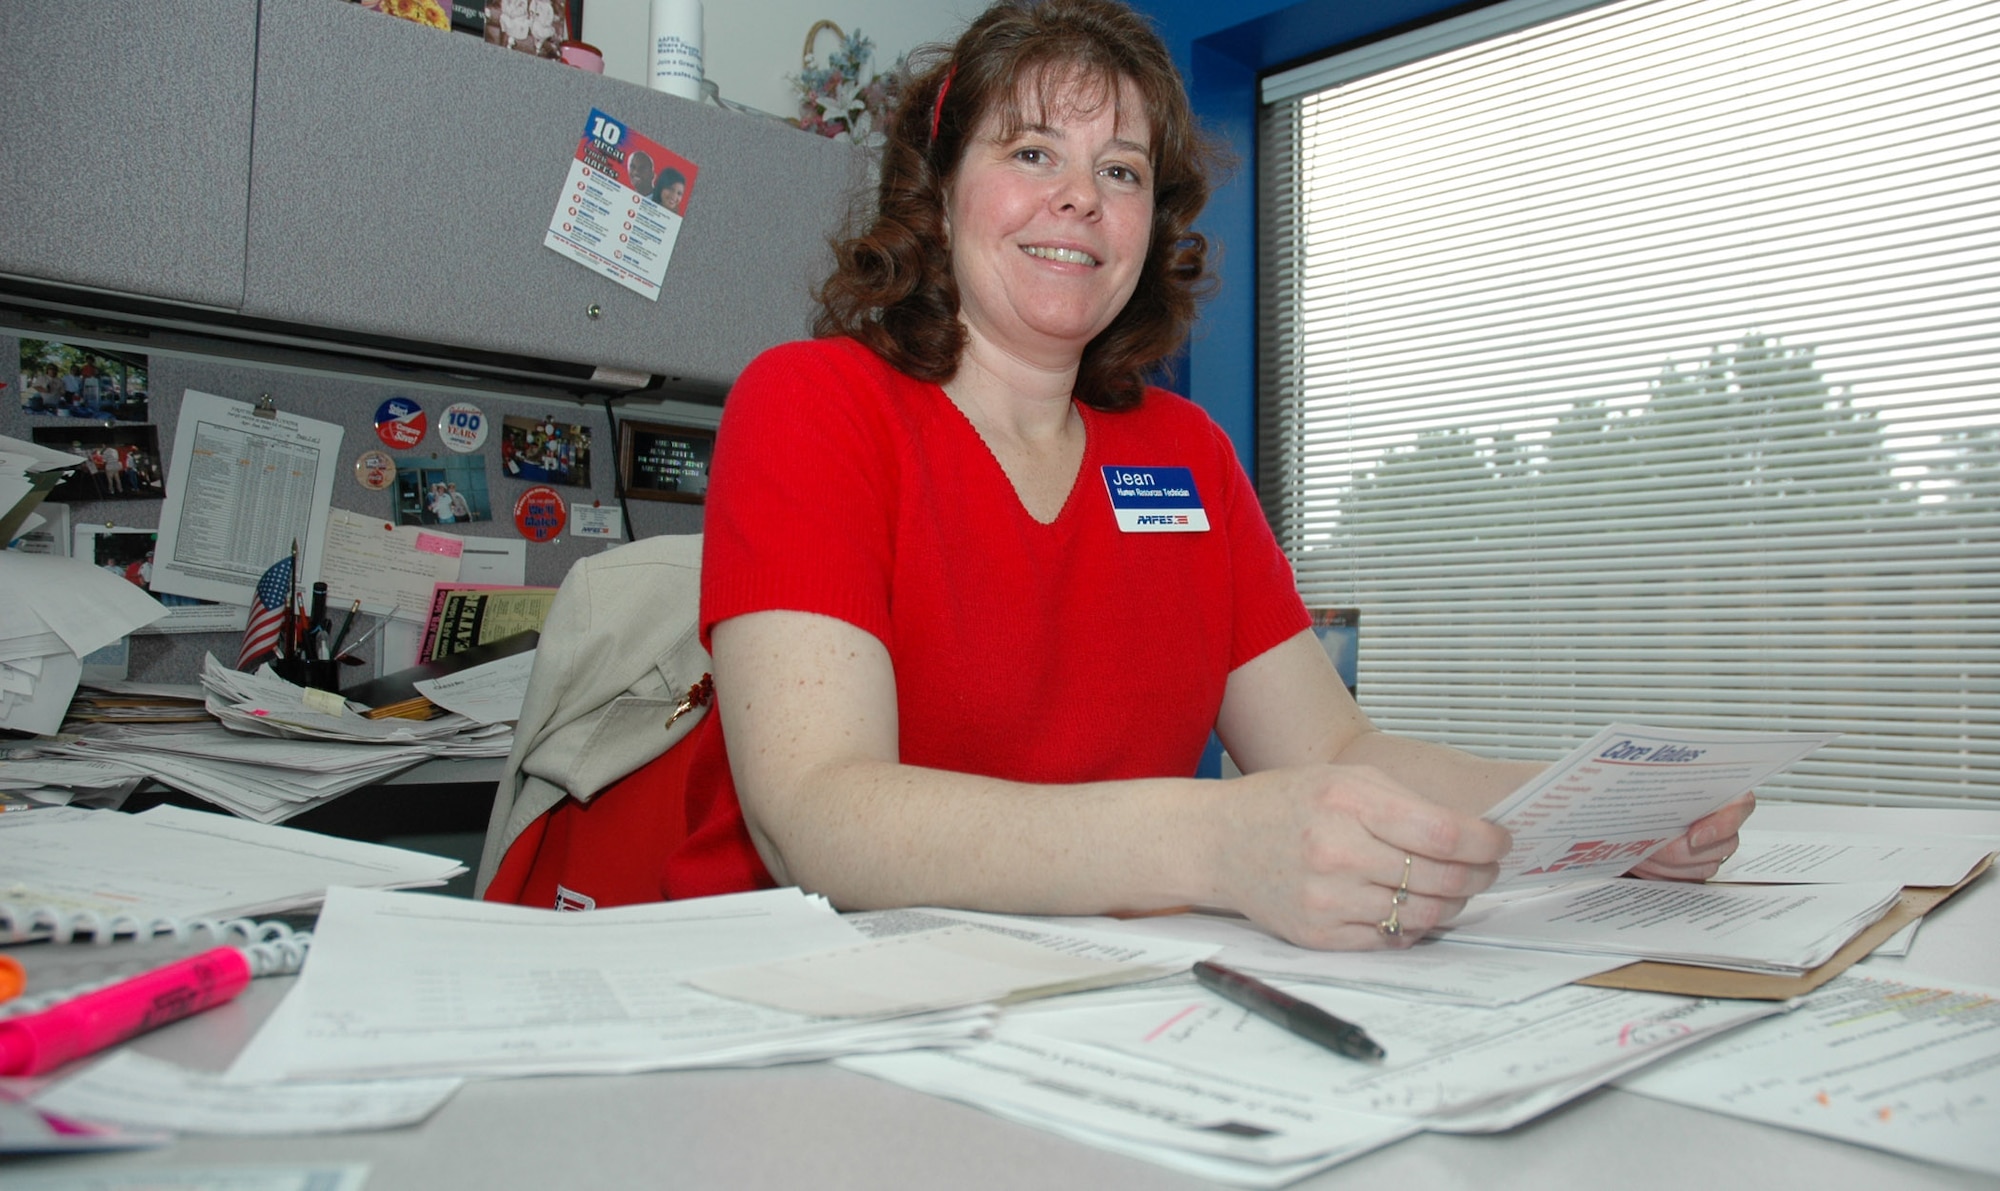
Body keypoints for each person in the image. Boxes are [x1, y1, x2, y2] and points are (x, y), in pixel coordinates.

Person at [663, 0, 1751, 950]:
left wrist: (1588, 816)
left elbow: (1333, 747)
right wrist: (1217, 842)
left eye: (1120, 170)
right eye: (1032, 152)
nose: (1080, 197)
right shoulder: (814, 405)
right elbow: (816, 813)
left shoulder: (1181, 454)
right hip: (791, 996)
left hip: (1078, 998)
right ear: (939, 188)